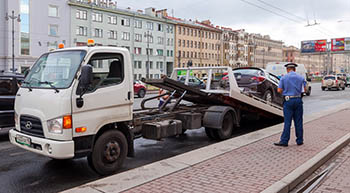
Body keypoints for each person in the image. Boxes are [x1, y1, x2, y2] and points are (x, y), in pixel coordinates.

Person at [274, 63, 306, 147]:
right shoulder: (301, 78)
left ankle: (284, 141)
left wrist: (286, 90)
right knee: (298, 121)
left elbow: (279, 90)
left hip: (288, 101)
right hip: (298, 100)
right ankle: (300, 140)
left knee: (287, 122)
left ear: (287, 70)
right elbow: (305, 89)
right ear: (295, 69)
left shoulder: (284, 78)